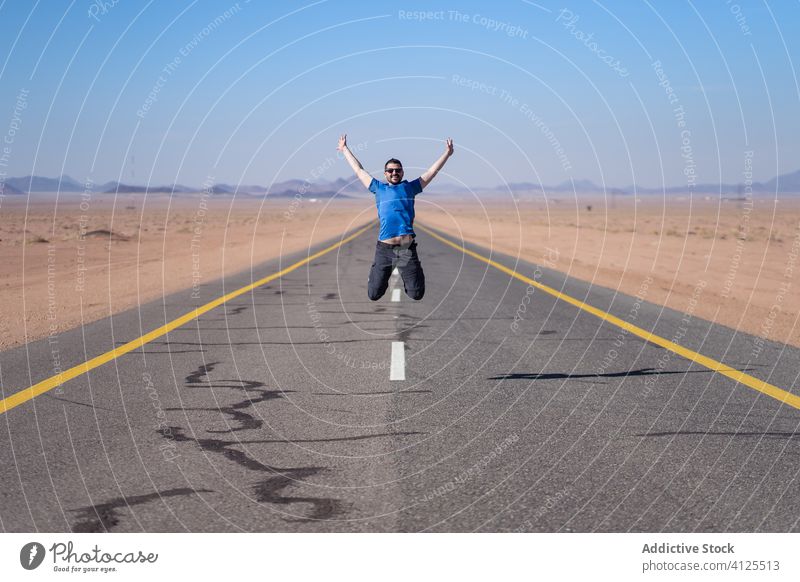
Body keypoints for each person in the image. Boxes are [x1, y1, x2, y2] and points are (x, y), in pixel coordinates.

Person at [337, 134, 454, 301]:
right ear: (385, 173)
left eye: (397, 170)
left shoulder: (410, 187)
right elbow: (359, 170)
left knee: (417, 294)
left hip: (406, 249)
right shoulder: (378, 188)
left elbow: (431, 172)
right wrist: (344, 149)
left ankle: (412, 273)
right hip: (385, 249)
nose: (394, 173)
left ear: (402, 172)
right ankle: (378, 273)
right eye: (390, 170)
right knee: (374, 294)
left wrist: (447, 154)